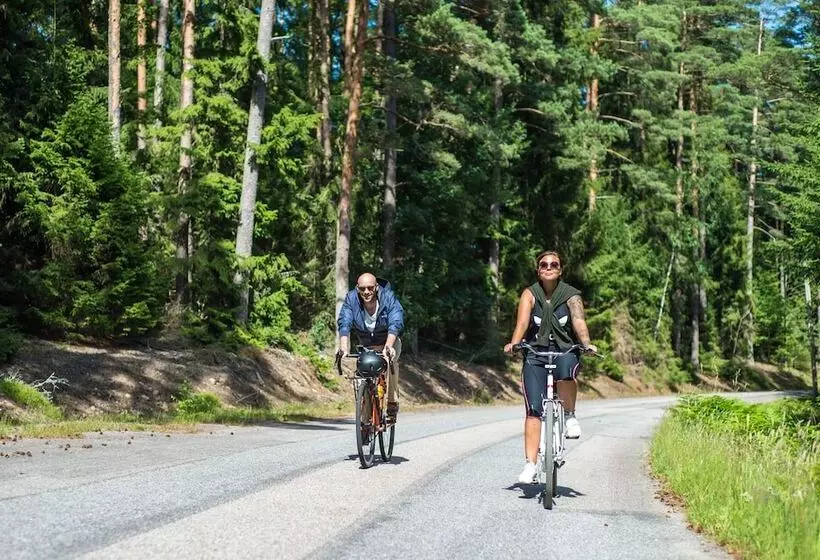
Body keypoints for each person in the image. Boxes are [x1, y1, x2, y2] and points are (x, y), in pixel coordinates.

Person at [503, 250, 597, 484]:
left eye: (554, 264)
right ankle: (530, 465)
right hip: (536, 352)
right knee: (533, 409)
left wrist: (586, 344)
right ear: (538, 270)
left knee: (566, 372)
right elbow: (523, 323)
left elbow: (578, 322)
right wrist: (515, 344)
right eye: (543, 264)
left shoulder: (571, 296)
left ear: (560, 269)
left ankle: (570, 415)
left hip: (564, 348)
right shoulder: (529, 294)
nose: (548, 267)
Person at [337, 272, 405, 423]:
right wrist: (343, 347)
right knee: (364, 378)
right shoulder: (351, 299)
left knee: (391, 363)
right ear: (357, 288)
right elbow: (345, 321)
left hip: (389, 341)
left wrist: (388, 346)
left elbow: (396, 320)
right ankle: (366, 422)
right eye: (362, 289)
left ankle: (392, 404)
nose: (366, 292)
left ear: (376, 287)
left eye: (369, 288)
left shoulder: (388, 297)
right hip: (367, 346)